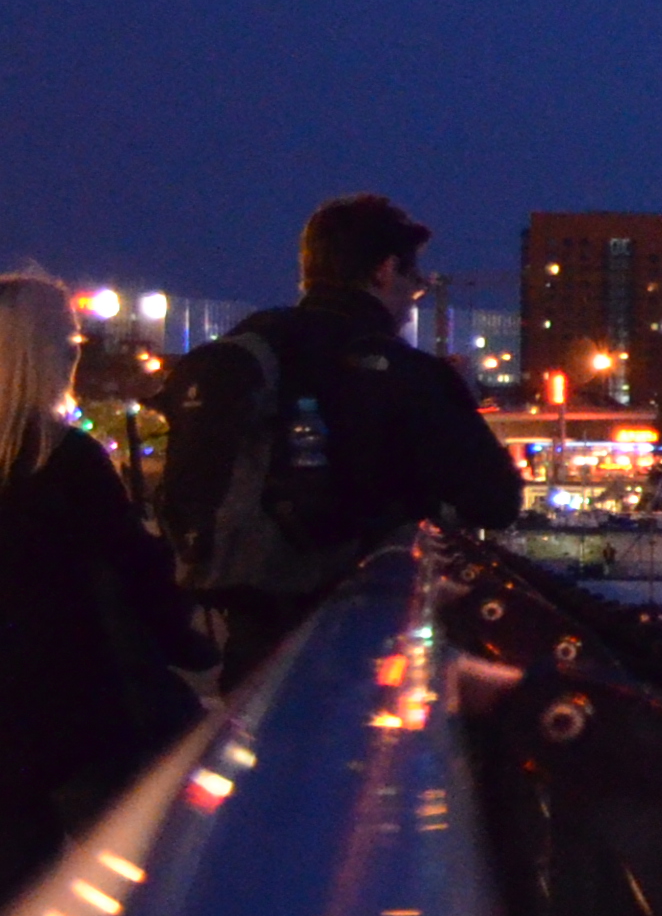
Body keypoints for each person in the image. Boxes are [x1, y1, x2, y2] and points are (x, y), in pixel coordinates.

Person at [159, 193, 523, 686]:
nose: (413, 300)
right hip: (360, 640)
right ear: (385, 270)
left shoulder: (257, 348)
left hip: (250, 642)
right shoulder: (404, 373)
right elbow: (497, 499)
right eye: (415, 284)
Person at [0, 272, 211, 874]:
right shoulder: (62, 460)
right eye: (67, 342)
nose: (76, 351)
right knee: (133, 882)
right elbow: (132, 576)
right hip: (76, 713)